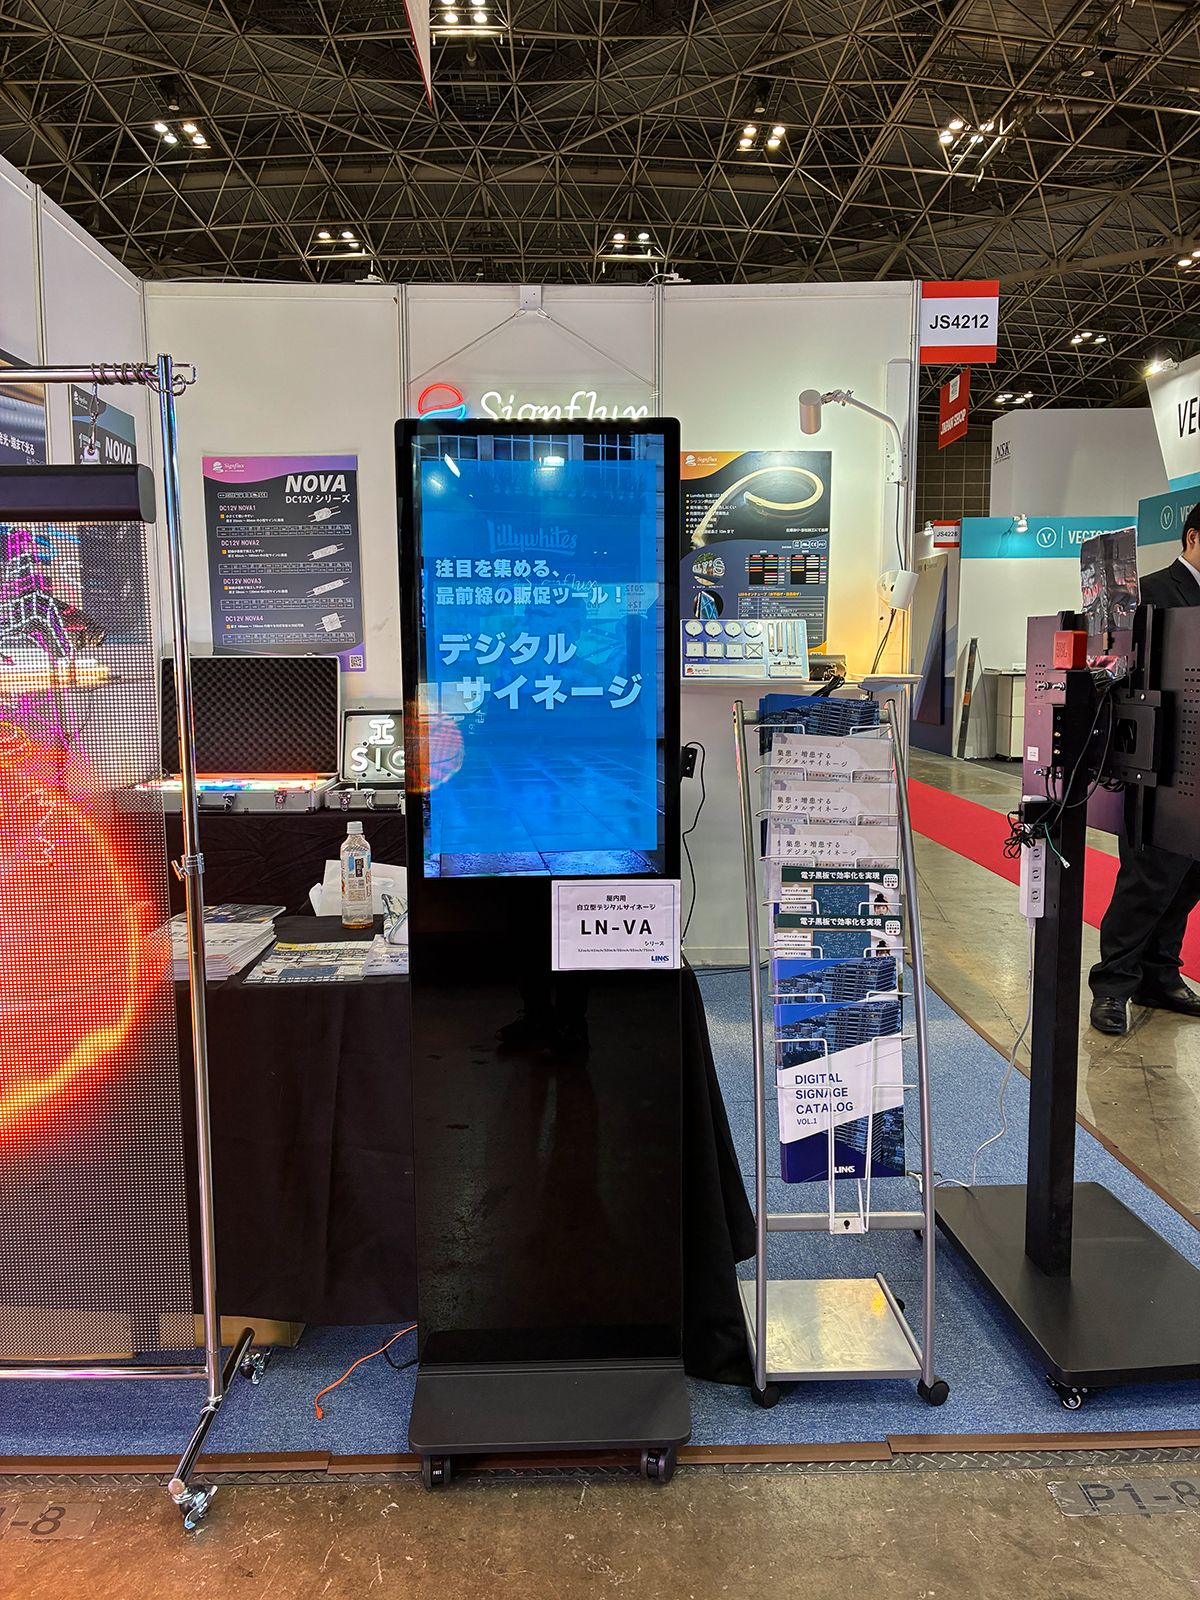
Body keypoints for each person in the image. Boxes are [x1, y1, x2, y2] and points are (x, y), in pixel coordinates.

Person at [1090, 500, 1200, 1035]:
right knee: (1149, 878)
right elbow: (1111, 671)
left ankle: (1160, 974)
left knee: (1191, 876)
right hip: (1160, 767)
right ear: (1193, 537)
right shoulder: (1149, 593)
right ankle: (1113, 985)